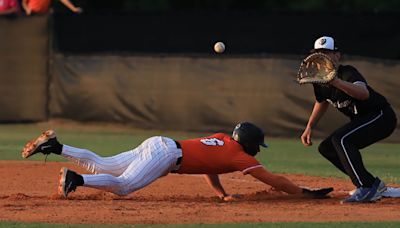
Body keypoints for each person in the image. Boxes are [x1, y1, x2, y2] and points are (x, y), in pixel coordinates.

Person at [22, 122, 332, 201]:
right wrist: (303, 193)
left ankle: (56, 146)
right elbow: (274, 180)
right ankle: (75, 180)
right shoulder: (238, 155)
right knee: (125, 186)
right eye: (257, 146)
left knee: (105, 164)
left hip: (160, 144)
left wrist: (221, 193)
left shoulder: (224, 140)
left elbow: (210, 167)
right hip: (167, 154)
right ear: (250, 143)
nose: (258, 151)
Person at [300, 36, 397, 203]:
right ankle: (373, 183)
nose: (322, 57)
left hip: (381, 116)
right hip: (362, 120)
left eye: (327, 53)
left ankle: (367, 188)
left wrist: (335, 81)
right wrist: (309, 126)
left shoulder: (347, 72)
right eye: (318, 53)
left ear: (337, 55)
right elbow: (321, 102)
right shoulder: (320, 81)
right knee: (327, 148)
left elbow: (363, 93)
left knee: (341, 139)